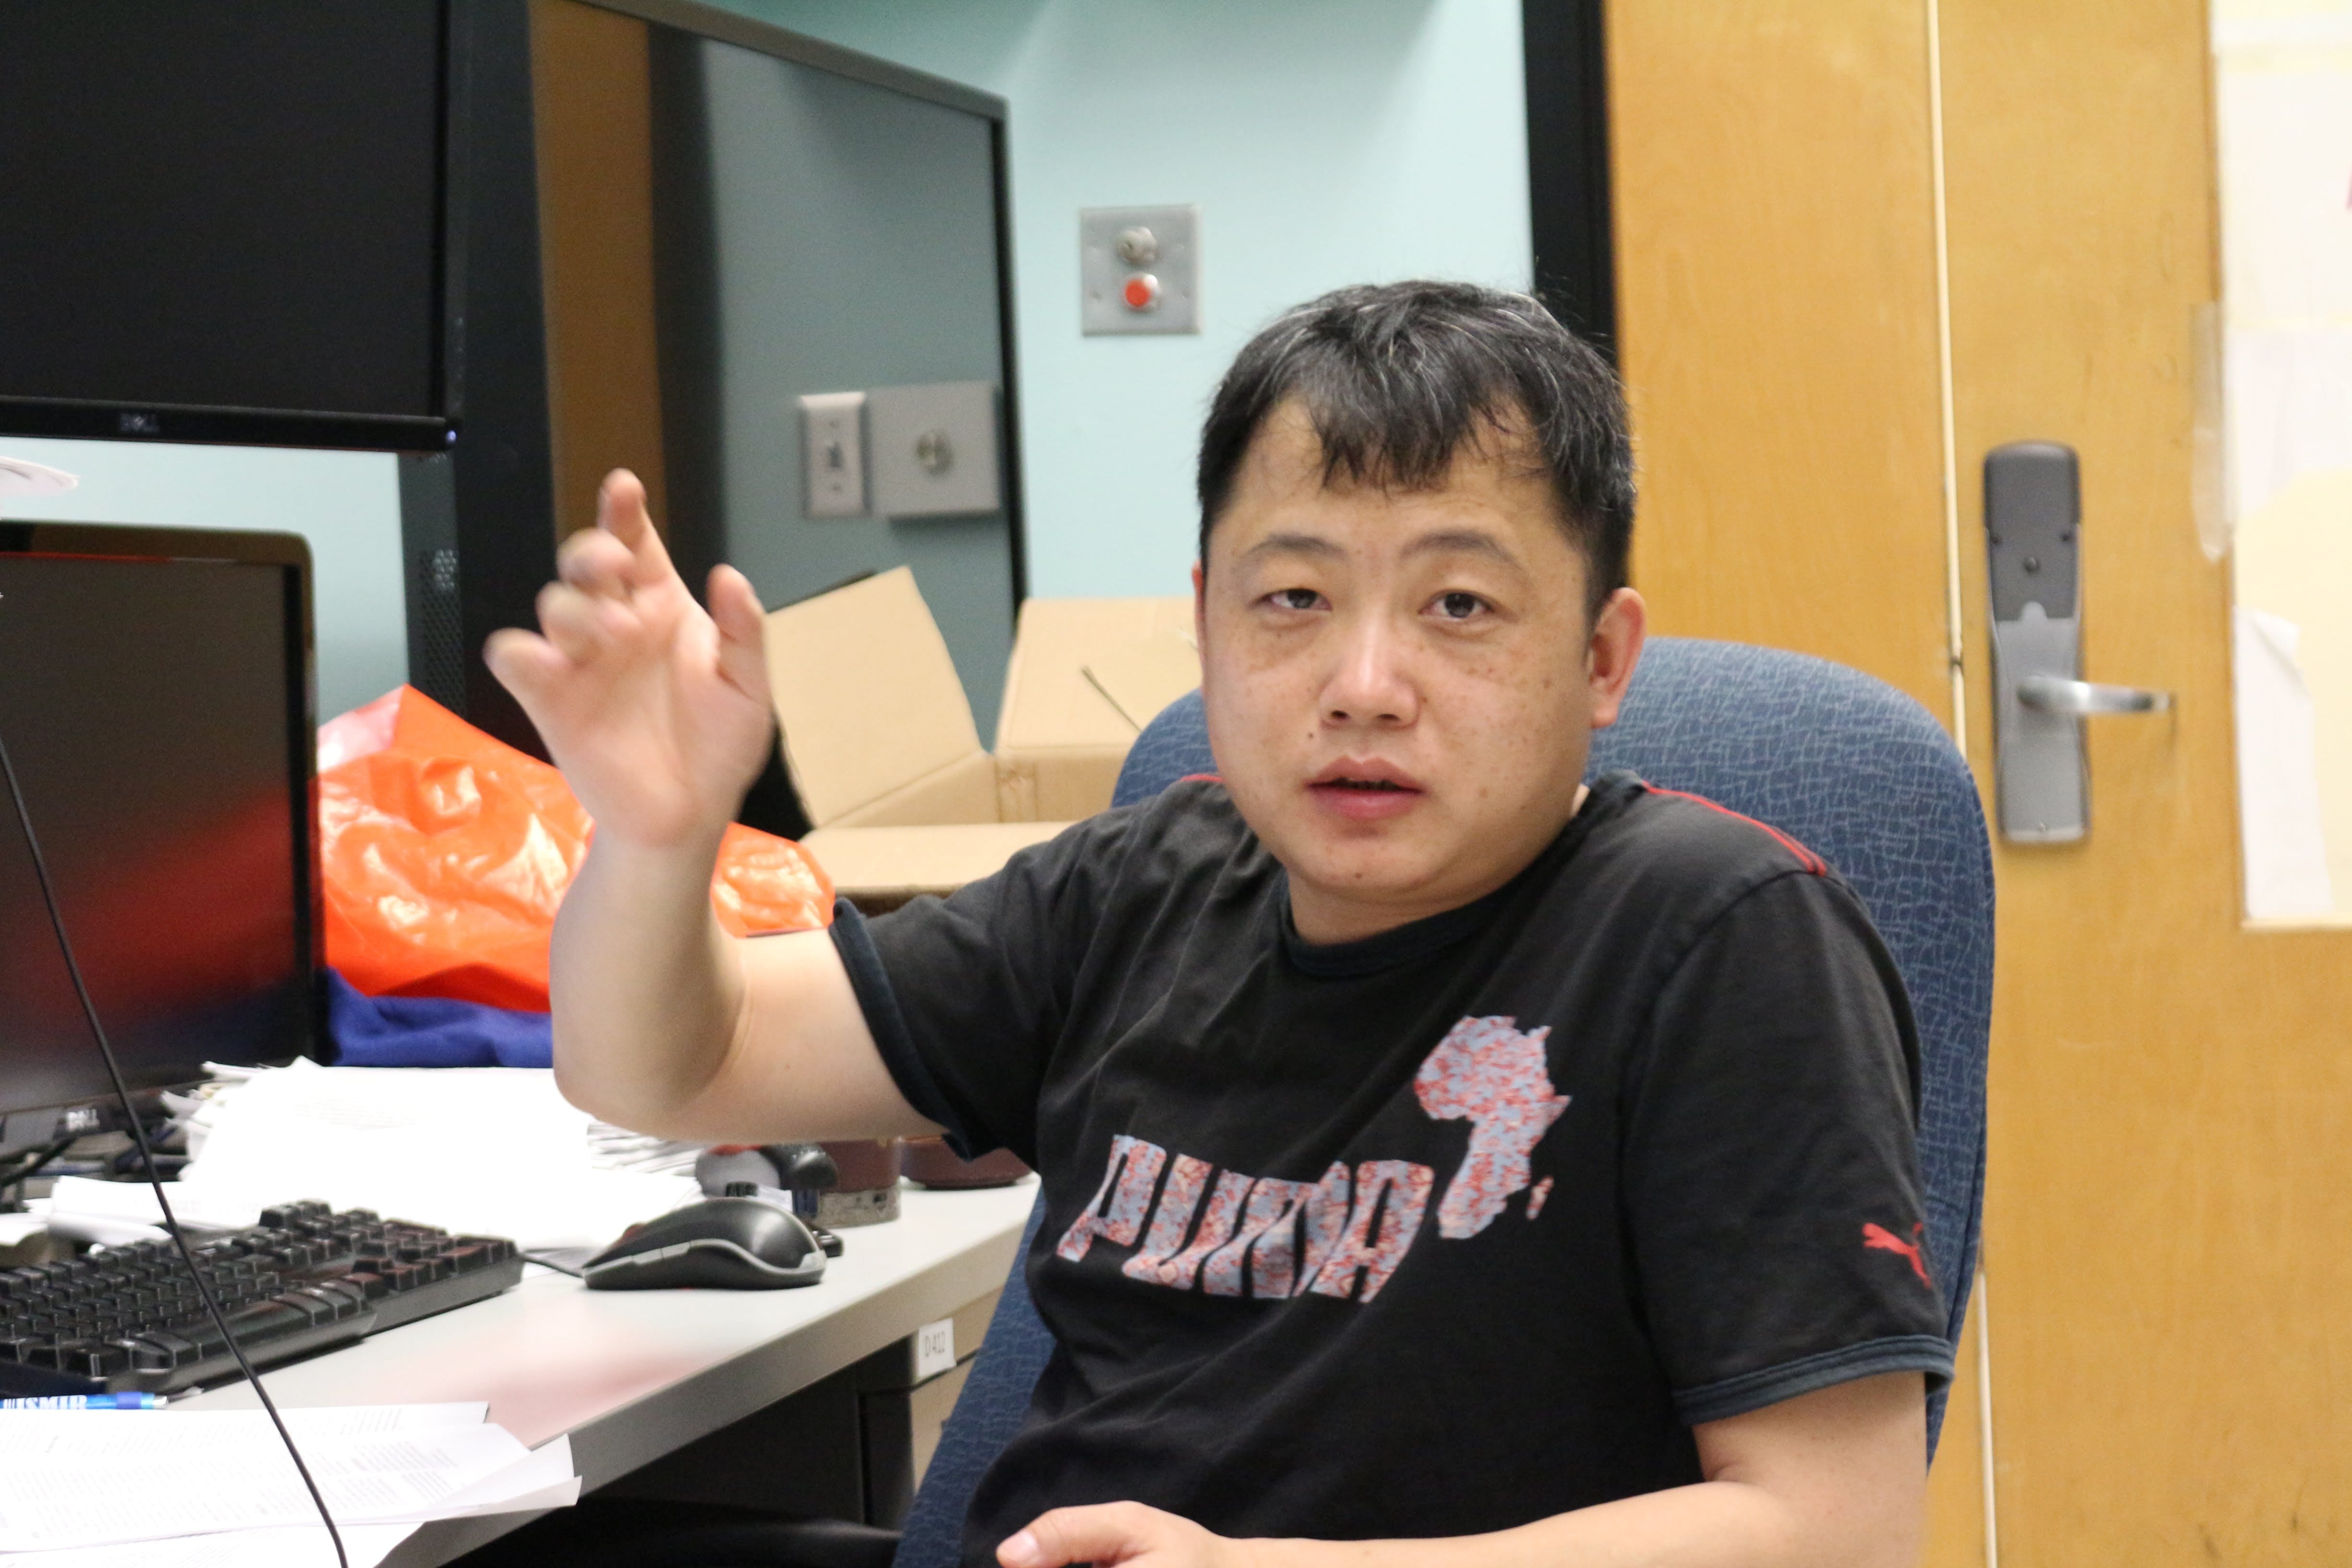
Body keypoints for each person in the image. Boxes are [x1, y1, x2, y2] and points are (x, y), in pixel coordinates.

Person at [488, 281, 1952, 1568]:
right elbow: (668, 1064)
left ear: (1602, 656)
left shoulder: (1714, 938)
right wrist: (655, 841)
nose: (1363, 683)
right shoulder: (1140, 887)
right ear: (1204, 624)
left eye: (1456, 604)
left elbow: (1836, 1529)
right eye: (1293, 596)